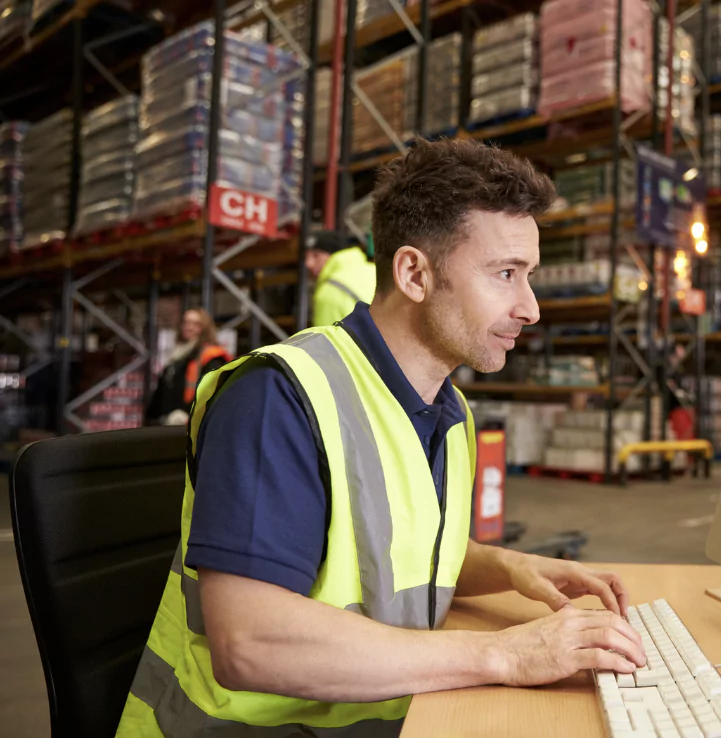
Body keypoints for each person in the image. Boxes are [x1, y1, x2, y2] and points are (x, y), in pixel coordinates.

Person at [116, 139, 645, 737]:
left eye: (530, 277)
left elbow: (394, 557)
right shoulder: (281, 397)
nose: (531, 308)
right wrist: (506, 653)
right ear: (415, 273)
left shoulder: (447, 411)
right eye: (506, 274)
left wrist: (512, 567)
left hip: (383, 712)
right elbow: (249, 643)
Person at [144, 308, 232, 426]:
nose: (188, 327)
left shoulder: (212, 358)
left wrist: (187, 415)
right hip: (166, 425)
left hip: (192, 427)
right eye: (185, 323)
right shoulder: (177, 356)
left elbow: (212, 394)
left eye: (195, 324)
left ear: (204, 328)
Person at [306, 227, 377, 326]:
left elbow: (326, 341)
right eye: (306, 257)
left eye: (316, 255)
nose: (308, 263)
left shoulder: (329, 291)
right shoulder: (376, 271)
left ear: (333, 254)